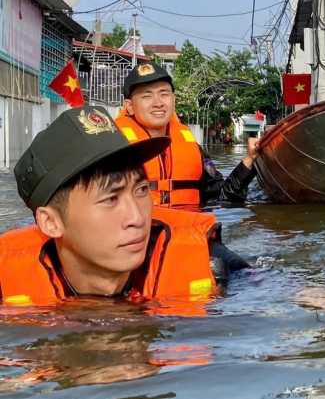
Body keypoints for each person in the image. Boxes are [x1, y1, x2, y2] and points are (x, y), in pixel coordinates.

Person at [0, 107, 249, 307]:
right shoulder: (5, 287)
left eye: (141, 190)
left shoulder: (212, 263)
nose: (137, 217)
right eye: (110, 199)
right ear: (51, 222)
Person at [115, 62, 259, 208]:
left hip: (188, 227)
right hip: (141, 229)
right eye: (147, 96)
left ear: (173, 100)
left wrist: (249, 159)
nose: (158, 103)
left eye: (164, 94)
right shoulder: (113, 147)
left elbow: (224, 196)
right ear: (130, 106)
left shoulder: (193, 149)